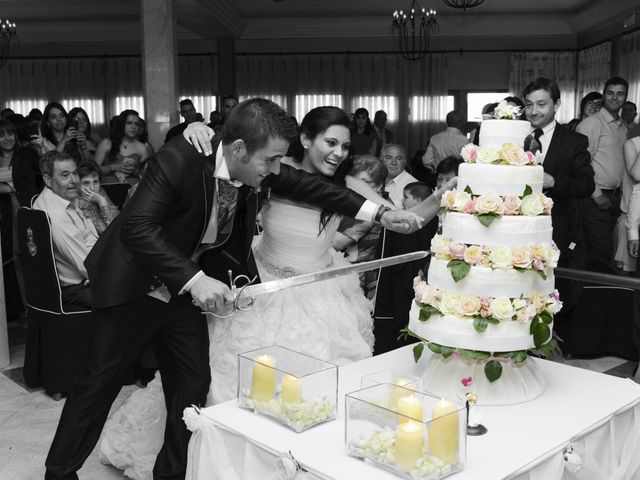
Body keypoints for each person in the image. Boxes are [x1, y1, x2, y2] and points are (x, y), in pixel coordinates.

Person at [44, 99, 422, 480]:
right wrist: (194, 279)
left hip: (181, 293)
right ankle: (59, 472)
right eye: (271, 161)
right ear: (238, 150)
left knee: (192, 385)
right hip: (134, 285)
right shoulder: (180, 159)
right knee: (99, 384)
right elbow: (138, 228)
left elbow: (309, 186)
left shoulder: (257, 165)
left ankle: (172, 473)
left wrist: (381, 214)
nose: (277, 169)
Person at [32, 151, 98, 309]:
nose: (74, 181)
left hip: (87, 274)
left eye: (75, 173)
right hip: (76, 288)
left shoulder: (63, 198)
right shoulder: (56, 213)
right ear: (48, 179)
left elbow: (91, 237)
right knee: (135, 297)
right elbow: (86, 265)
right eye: (65, 175)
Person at [576, 76, 629, 272]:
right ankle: (591, 300)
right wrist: (596, 193)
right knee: (600, 251)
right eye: (610, 93)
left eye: (620, 94)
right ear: (604, 95)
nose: (615, 98)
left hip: (615, 198)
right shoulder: (593, 124)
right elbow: (580, 163)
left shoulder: (621, 126)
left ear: (625, 97)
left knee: (610, 251)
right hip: (595, 199)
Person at [333, 154, 389, 300]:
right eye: (354, 182)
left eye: (365, 182)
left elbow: (335, 243)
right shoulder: (377, 206)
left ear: (379, 186)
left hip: (357, 278)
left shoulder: (370, 212)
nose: (357, 187)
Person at [95, 109, 152, 184]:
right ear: (122, 124)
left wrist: (134, 170)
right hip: (109, 186)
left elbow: (146, 175)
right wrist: (112, 167)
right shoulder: (106, 143)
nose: (133, 127)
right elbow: (93, 170)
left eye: (136, 124)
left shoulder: (142, 147)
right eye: (129, 123)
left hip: (132, 188)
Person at [76, 161, 119, 235]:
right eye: (86, 183)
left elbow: (118, 220)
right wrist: (101, 201)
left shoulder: (100, 191)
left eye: (95, 182)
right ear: (78, 185)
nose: (92, 188)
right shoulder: (78, 201)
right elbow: (108, 232)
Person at [382, 143, 418, 207]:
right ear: (381, 160)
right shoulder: (373, 180)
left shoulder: (413, 186)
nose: (393, 163)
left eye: (398, 158)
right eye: (389, 158)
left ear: (404, 161)